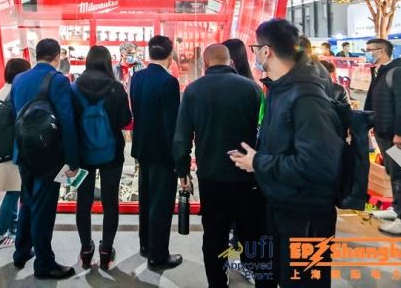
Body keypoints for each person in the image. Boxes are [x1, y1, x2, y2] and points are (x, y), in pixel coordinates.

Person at [231, 18, 343, 287]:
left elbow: (319, 165)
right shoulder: (281, 87)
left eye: (255, 48)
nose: (255, 55)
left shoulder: (307, 96)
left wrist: (258, 162)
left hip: (305, 214)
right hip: (282, 204)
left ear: (266, 51)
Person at [174, 44, 268, 288]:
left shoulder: (193, 90)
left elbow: (182, 136)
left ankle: (217, 282)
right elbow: (265, 131)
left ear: (205, 63)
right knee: (253, 232)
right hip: (248, 175)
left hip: (211, 176)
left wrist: (182, 170)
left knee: (214, 234)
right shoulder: (253, 89)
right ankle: (261, 279)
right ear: (231, 62)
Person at [10, 38, 80, 280]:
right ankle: (44, 263)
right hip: (48, 155)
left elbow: (14, 114)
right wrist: (72, 160)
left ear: (36, 55)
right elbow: (66, 121)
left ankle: (21, 251)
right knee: (43, 208)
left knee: (27, 201)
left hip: (23, 151)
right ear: (57, 56)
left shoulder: (19, 79)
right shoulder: (58, 80)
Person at [71, 46, 132, 271]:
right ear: (107, 62)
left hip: (81, 155)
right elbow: (125, 120)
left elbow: (68, 120)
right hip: (112, 153)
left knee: (83, 202)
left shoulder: (74, 87)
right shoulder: (116, 88)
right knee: (110, 202)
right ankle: (106, 251)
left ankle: (86, 250)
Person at [130, 35, 183, 270]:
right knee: (161, 204)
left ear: (149, 53)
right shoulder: (169, 82)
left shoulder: (137, 77)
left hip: (142, 148)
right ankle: (158, 255)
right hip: (162, 152)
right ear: (170, 56)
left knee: (146, 199)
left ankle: (145, 245)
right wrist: (178, 157)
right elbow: (172, 124)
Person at [363, 38, 401, 236]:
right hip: (384, 131)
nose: (367, 53)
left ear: (382, 50)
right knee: (393, 173)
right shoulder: (381, 71)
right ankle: (398, 208)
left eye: (369, 50)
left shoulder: (398, 72)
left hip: (397, 135)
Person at [0, 58, 31, 251]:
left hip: (3, 148)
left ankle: (12, 230)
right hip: (12, 149)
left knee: (13, 190)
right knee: (13, 192)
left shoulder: (3, 89)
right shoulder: (15, 91)